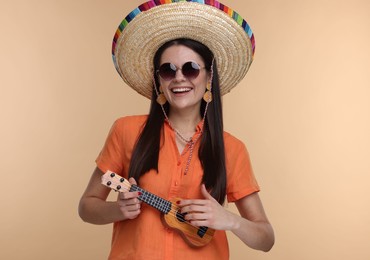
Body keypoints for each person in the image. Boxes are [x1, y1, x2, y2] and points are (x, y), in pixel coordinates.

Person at [78, 1, 274, 259]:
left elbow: (266, 239)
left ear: (209, 78)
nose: (179, 77)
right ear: (159, 81)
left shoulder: (232, 149)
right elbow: (87, 206)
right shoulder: (126, 130)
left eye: (191, 69)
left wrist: (228, 219)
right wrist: (118, 210)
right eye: (168, 70)